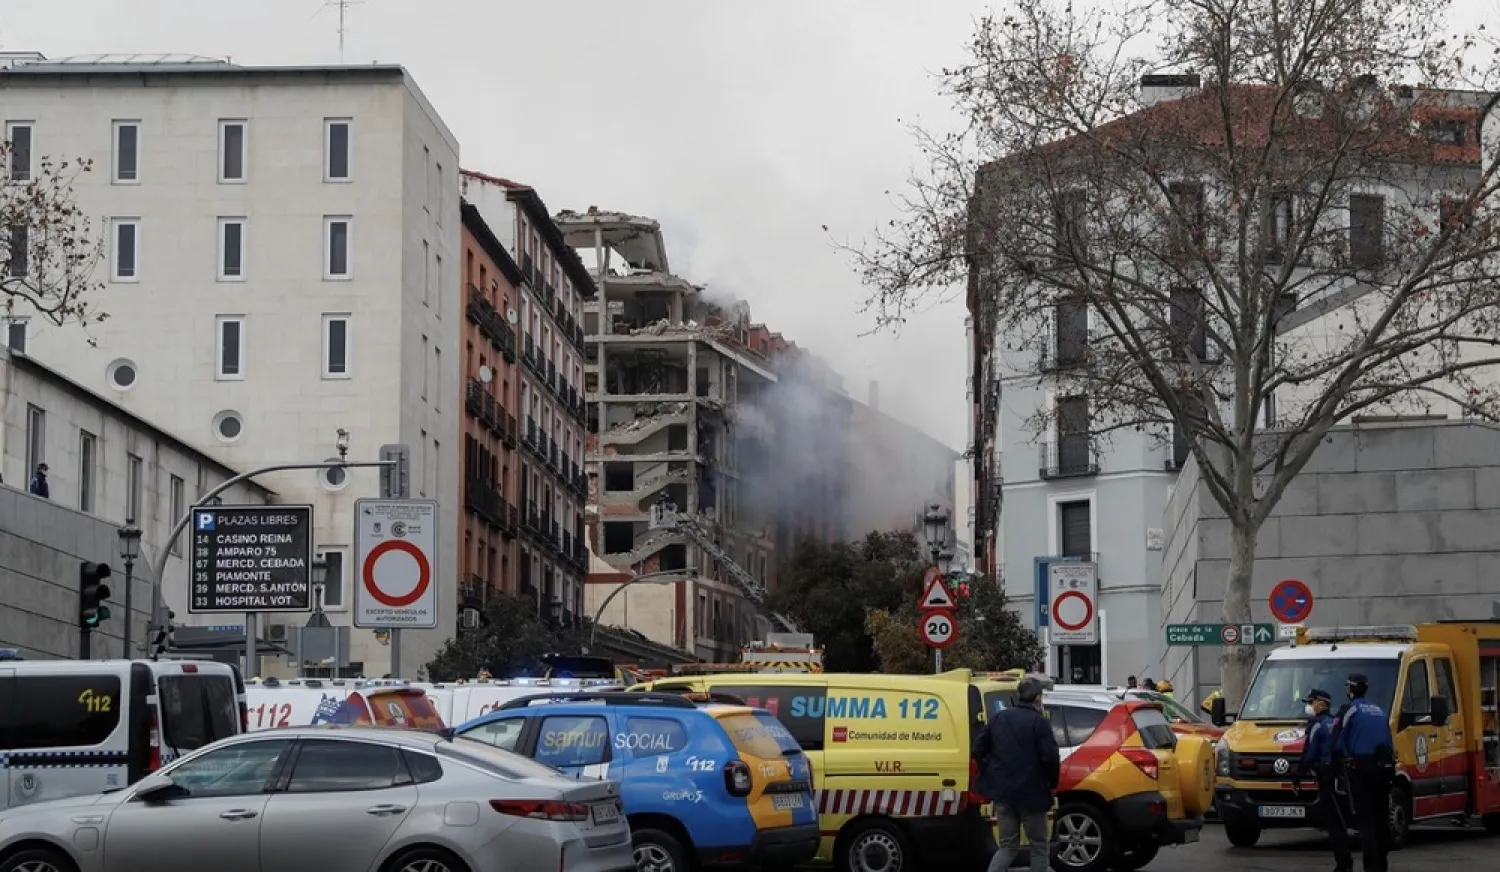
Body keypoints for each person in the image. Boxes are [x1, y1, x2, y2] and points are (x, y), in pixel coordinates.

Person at [972, 675, 1059, 872]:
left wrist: (992, 770)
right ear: (1037, 698)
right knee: (1038, 845)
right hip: (1033, 794)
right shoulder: (1039, 722)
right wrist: (1052, 784)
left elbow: (978, 749)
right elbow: (1050, 757)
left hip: (1004, 794)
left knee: (1007, 846)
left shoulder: (999, 718)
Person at [1336, 672, 1394, 872]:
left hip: (1361, 769)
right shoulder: (1379, 710)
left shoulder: (1350, 710)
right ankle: (1382, 864)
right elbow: (1389, 742)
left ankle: (1370, 866)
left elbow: (1338, 743)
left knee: (1366, 820)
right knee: (1381, 818)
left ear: (1350, 689)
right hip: (1383, 769)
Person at [1300, 689, 1353, 872]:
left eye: (1312, 702)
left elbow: (1309, 754)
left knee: (1333, 824)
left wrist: (1298, 777)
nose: (1309, 706)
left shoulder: (1317, 725)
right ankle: (1345, 861)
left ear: (1322, 704)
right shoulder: (1335, 722)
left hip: (1326, 778)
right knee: (1341, 820)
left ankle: (1343, 864)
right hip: (1341, 777)